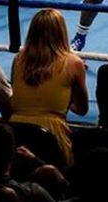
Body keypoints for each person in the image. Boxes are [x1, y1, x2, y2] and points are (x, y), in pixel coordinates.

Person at [11, 9, 88, 167]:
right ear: (61, 32)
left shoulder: (18, 59)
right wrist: (65, 100)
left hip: (16, 129)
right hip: (52, 133)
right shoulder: (74, 63)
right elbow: (82, 109)